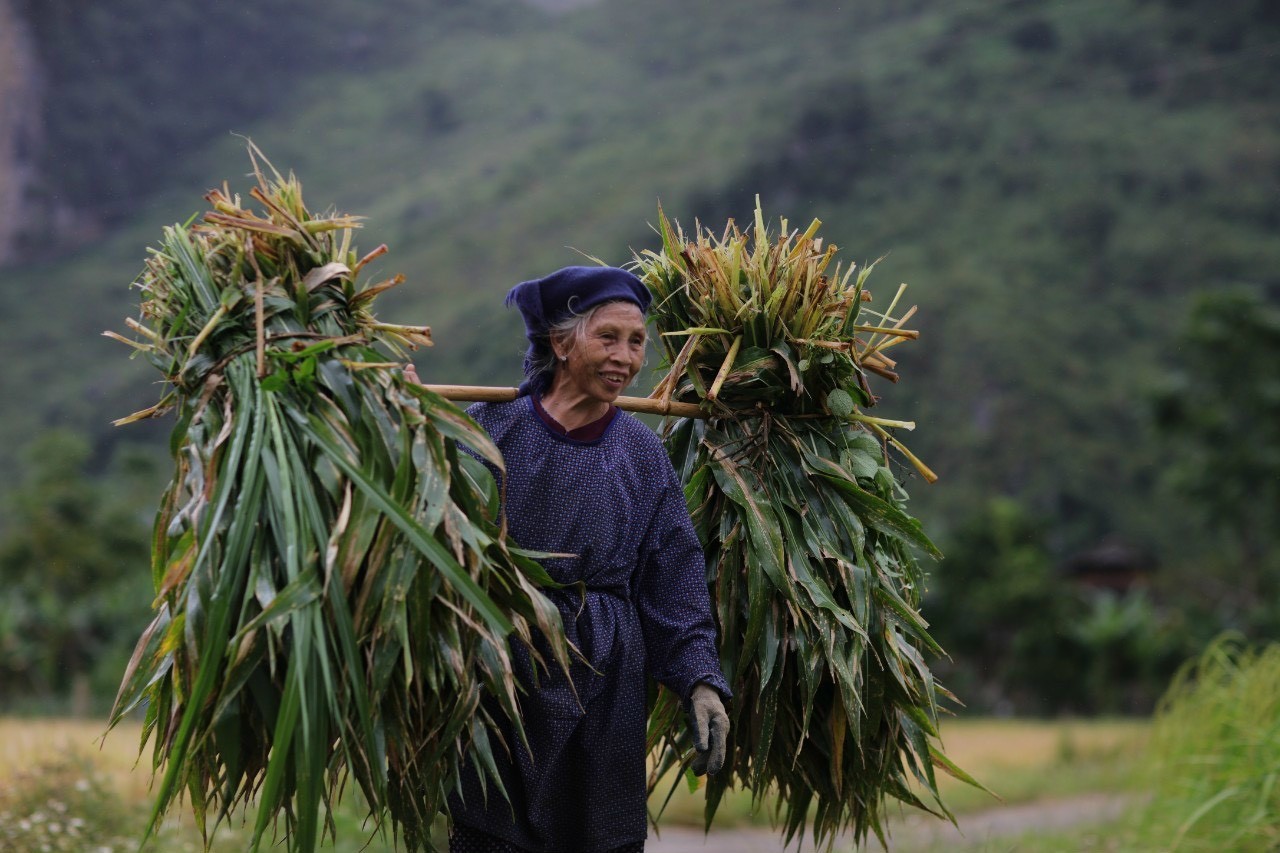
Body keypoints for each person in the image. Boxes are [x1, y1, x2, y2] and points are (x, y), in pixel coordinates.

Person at [415, 266, 730, 853]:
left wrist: (699, 681)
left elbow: (674, 578)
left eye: (637, 342)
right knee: (493, 832)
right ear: (561, 343)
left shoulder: (642, 454)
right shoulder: (492, 429)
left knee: (600, 835)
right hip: (504, 669)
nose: (626, 357)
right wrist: (397, 416)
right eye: (607, 337)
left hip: (606, 680)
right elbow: (427, 521)